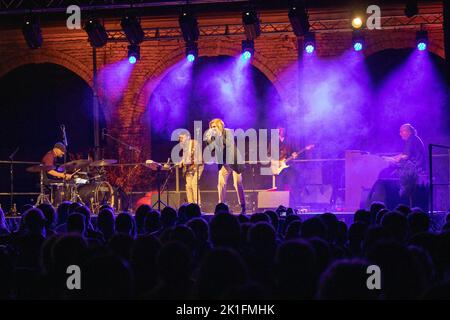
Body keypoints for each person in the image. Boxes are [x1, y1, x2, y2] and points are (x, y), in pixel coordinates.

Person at [206, 118, 246, 214]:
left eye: (214, 126)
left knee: (238, 183)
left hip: (234, 161)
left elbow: (228, 144)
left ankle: (243, 206)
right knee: (221, 183)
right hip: (224, 163)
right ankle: (221, 206)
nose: (212, 128)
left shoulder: (228, 132)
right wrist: (209, 139)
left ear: (220, 125)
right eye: (211, 127)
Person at [178, 132, 204, 205]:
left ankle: (197, 204)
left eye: (182, 137)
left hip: (198, 166)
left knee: (194, 184)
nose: (180, 139)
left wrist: (194, 165)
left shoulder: (194, 143)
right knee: (188, 185)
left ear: (187, 137)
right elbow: (184, 156)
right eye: (180, 138)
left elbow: (198, 156)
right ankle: (190, 204)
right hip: (189, 167)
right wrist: (181, 162)